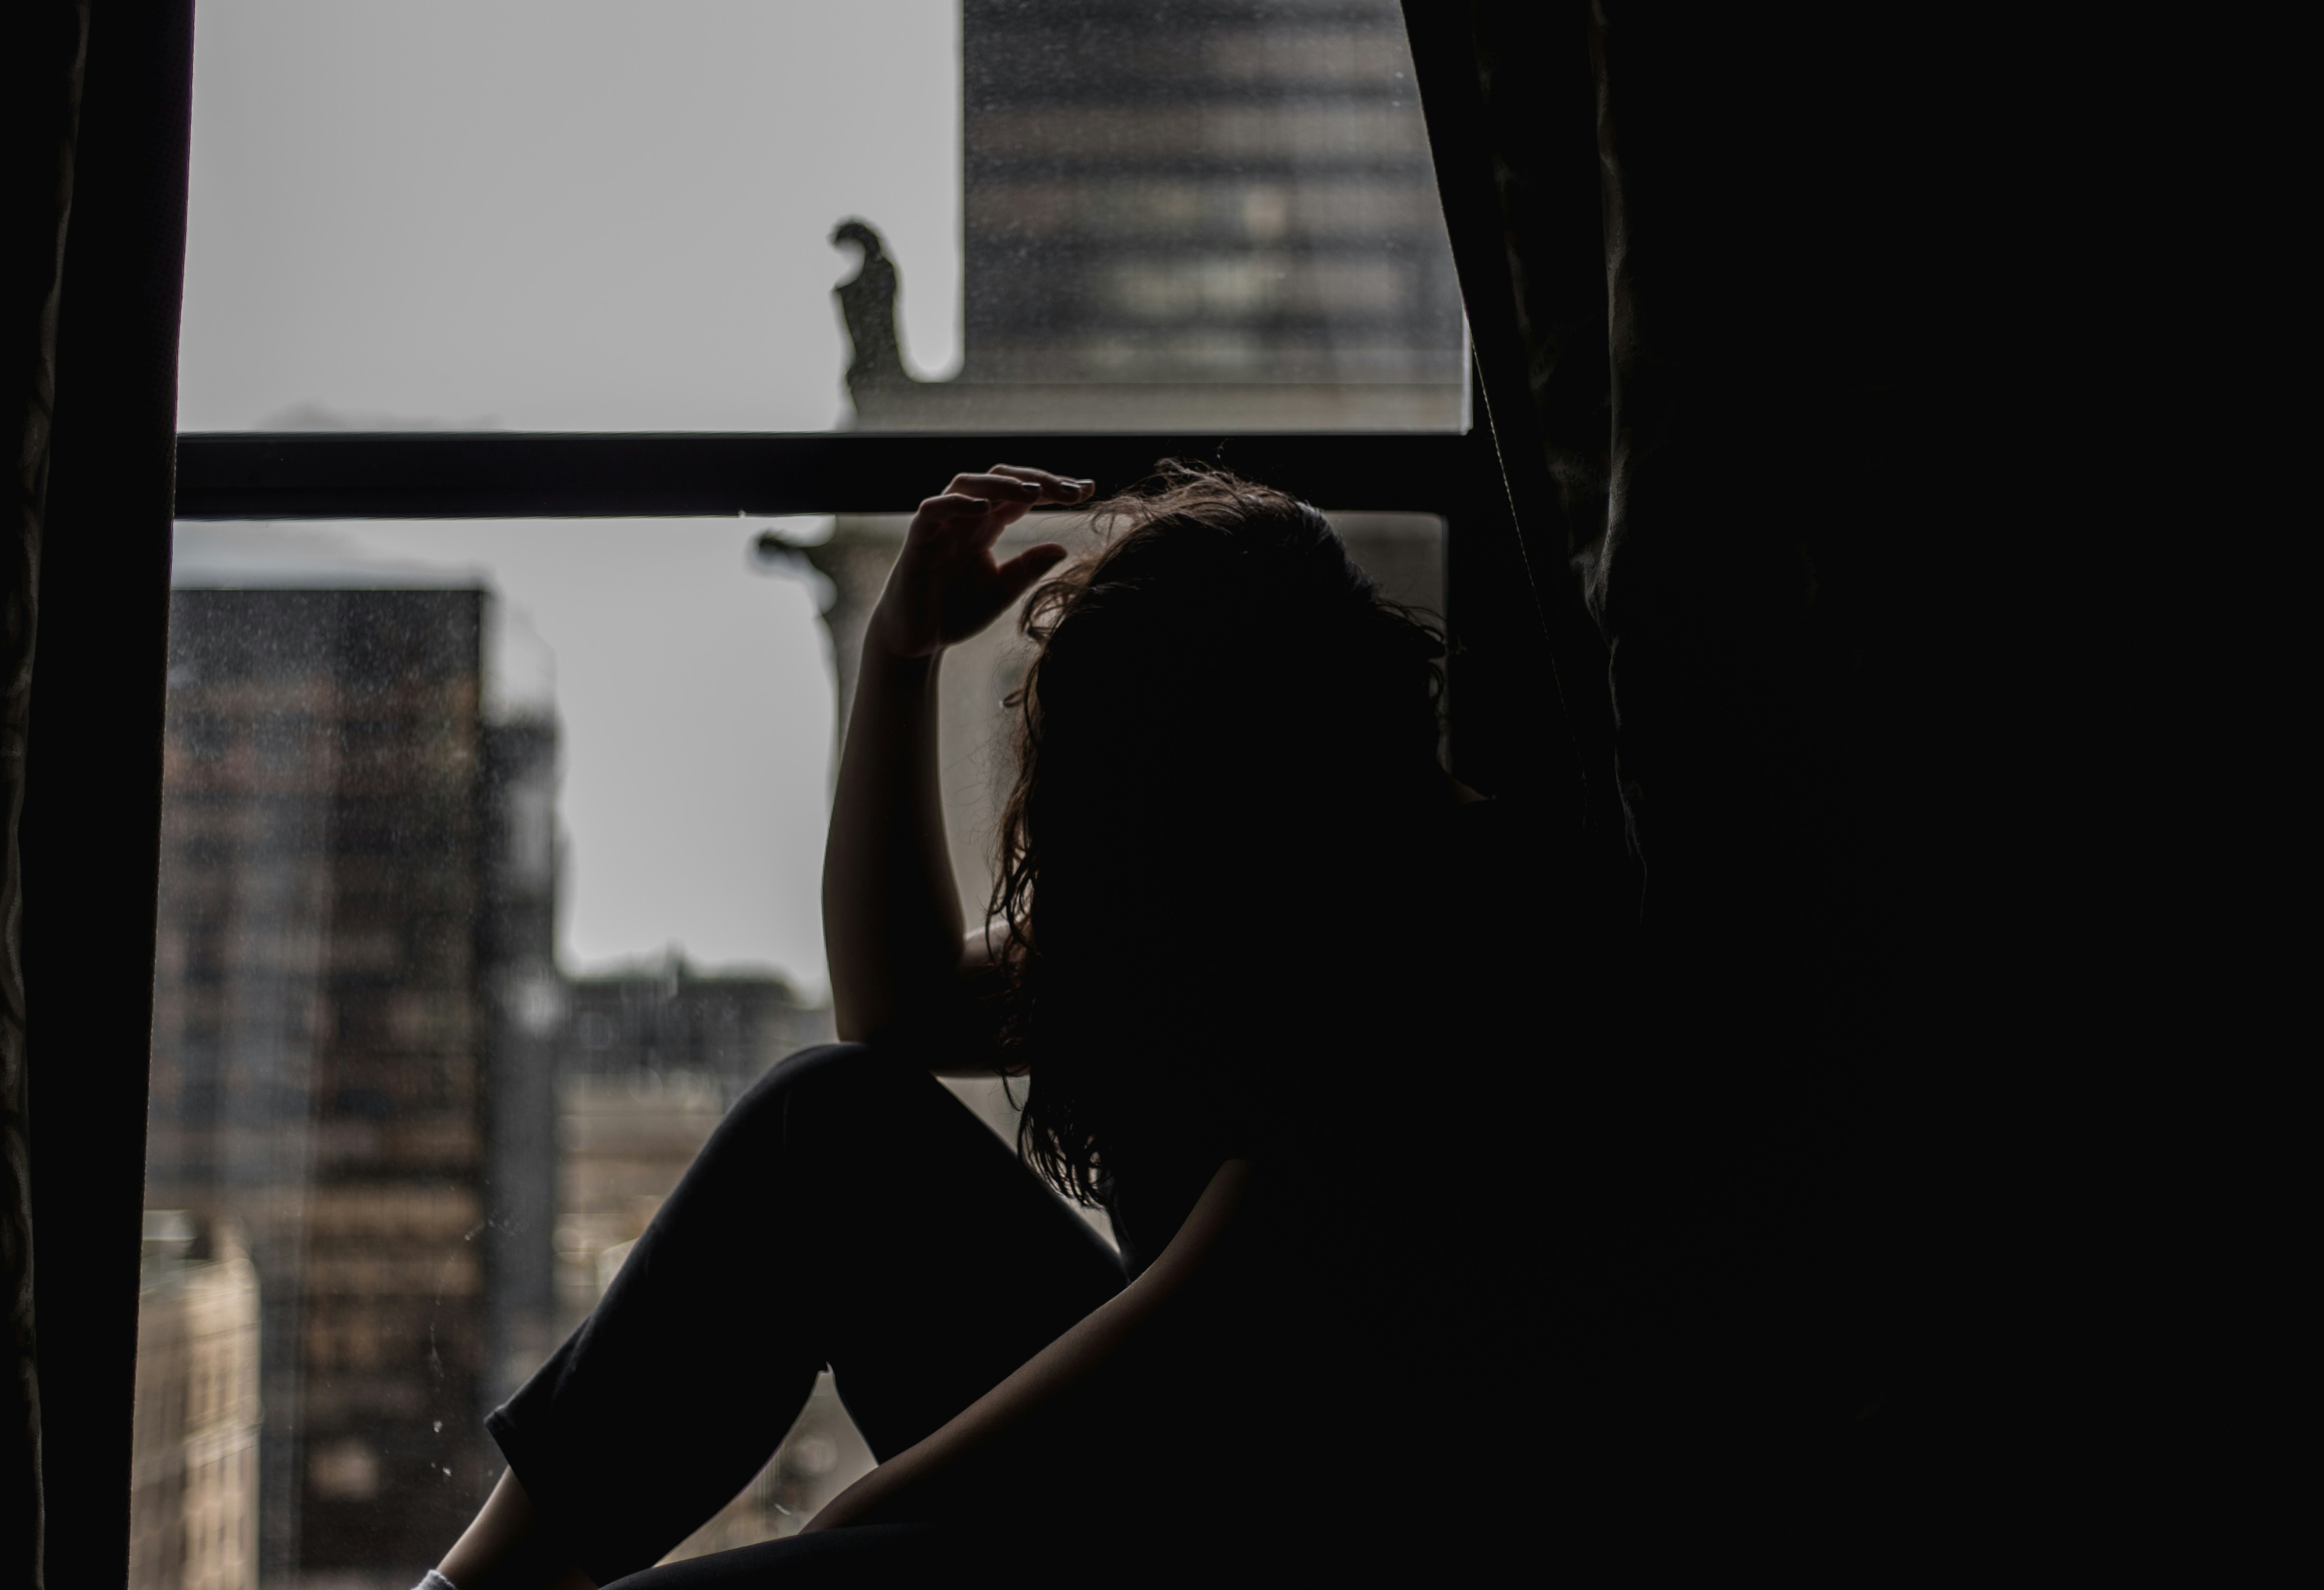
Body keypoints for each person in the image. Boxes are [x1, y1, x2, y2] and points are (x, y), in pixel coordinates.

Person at [415, 461, 1547, 1588]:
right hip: (1207, 1458)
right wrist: (901, 656)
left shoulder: (1461, 920)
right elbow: (896, 1010)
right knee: (827, 1120)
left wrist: (858, 1517)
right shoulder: (1264, 886)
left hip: (1325, 1522)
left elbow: (1195, 1329)